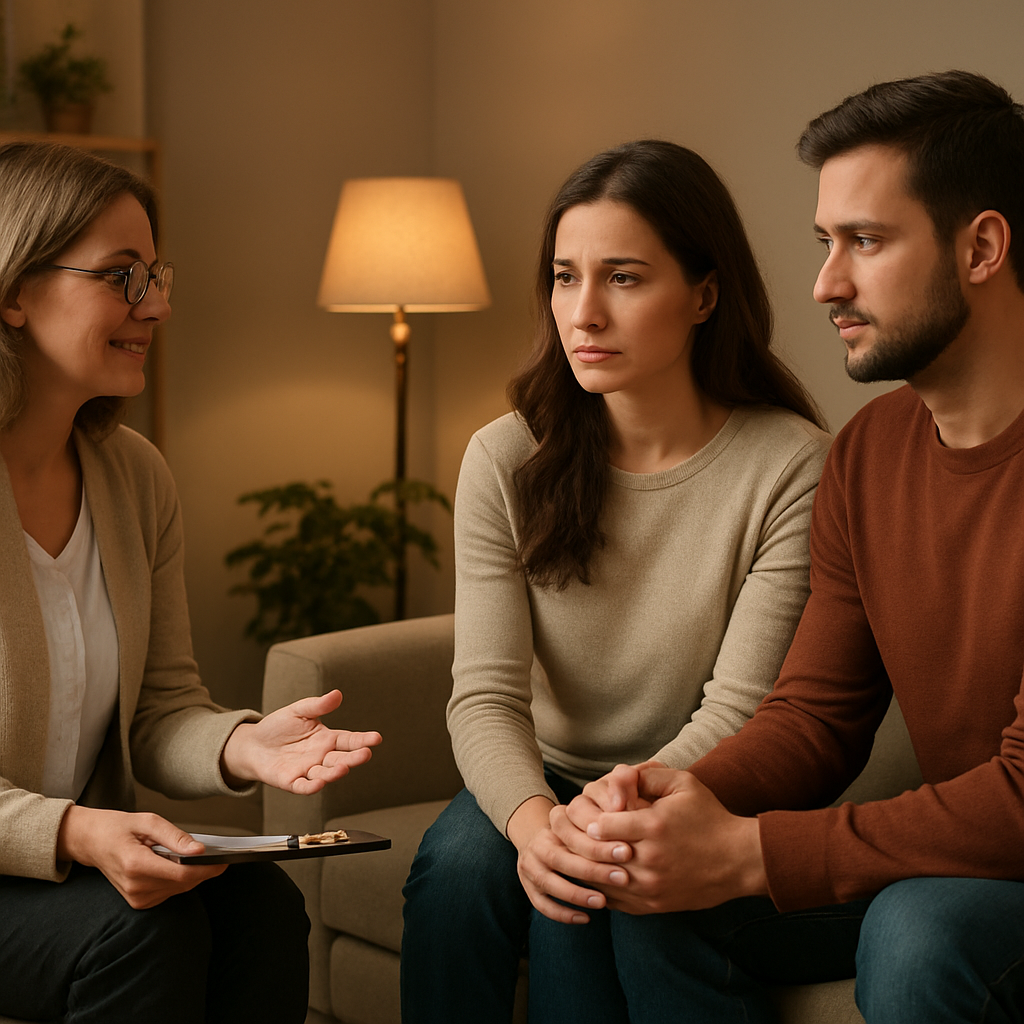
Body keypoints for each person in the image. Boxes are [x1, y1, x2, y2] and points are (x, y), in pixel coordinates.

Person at [538, 70, 1024, 1023]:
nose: (826, 283)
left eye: (866, 241)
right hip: (959, 861)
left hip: (985, 873)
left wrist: (752, 853)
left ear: (982, 248)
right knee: (641, 884)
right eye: (824, 242)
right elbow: (816, 716)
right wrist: (670, 797)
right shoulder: (870, 452)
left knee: (920, 929)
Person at [400, 139, 831, 1021]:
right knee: (455, 873)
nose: (584, 313)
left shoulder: (793, 466)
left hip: (697, 789)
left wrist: (599, 823)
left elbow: (739, 710)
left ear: (705, 295)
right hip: (547, 771)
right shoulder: (505, 456)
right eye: (565, 277)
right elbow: (485, 695)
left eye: (623, 278)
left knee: (588, 891)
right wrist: (537, 824)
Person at [0, 141, 382, 1024]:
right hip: (46, 857)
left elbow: (162, 708)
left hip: (75, 857)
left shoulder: (133, 476)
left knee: (260, 906)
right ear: (14, 292)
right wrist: (76, 830)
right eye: (121, 277)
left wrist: (246, 746)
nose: (158, 305)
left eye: (156, 276)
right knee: (141, 935)